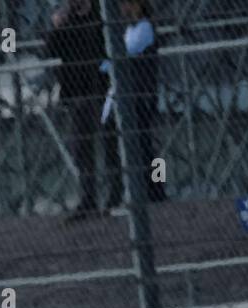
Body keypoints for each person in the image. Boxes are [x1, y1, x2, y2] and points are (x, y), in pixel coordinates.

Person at [45, 0, 119, 218]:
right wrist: (55, 28)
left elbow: (110, 46)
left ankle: (115, 197)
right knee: (81, 149)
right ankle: (88, 199)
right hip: (75, 92)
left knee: (110, 145)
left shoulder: (101, 15)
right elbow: (49, 51)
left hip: (101, 90)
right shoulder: (67, 21)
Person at [105, 0, 166, 205]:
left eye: (125, 5)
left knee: (144, 146)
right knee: (139, 147)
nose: (122, 10)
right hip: (127, 96)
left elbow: (123, 54)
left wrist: (107, 61)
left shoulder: (144, 28)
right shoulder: (129, 30)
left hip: (138, 96)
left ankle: (155, 191)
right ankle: (147, 191)